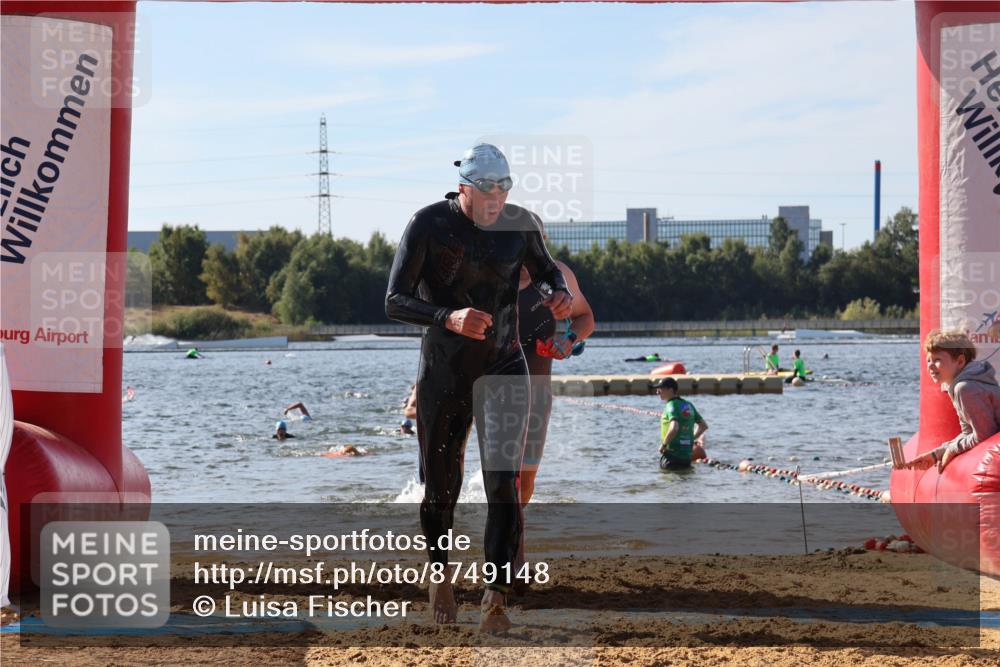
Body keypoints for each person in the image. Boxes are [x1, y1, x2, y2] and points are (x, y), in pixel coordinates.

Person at [385, 142, 572, 633]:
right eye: (487, 190)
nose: (496, 199)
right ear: (464, 188)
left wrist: (558, 293)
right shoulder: (428, 224)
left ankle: (495, 597)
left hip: (505, 367)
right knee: (440, 485)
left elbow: (549, 270)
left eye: (504, 189)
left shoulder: (521, 224)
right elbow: (394, 300)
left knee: (503, 485)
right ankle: (440, 576)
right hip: (444, 374)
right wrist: (447, 316)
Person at [518, 247, 595, 505]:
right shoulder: (487, 273)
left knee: (526, 482)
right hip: (492, 390)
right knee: (501, 476)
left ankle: (513, 536)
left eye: (537, 240)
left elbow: (585, 317)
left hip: (538, 394)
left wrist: (569, 339)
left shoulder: (559, 274)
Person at [906, 330, 1000, 472]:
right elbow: (968, 432)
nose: (930, 366)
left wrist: (952, 450)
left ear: (960, 361)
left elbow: (985, 435)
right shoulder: (962, 385)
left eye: (937, 360)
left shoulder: (966, 388)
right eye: (928, 360)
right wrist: (937, 454)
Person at [655, 377, 708, 470]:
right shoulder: (688, 405)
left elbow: (674, 427)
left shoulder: (670, 405)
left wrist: (663, 445)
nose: (657, 392)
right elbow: (703, 426)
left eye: (660, 388)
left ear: (670, 389)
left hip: (672, 456)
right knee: (684, 481)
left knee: (668, 482)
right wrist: (691, 439)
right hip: (687, 457)